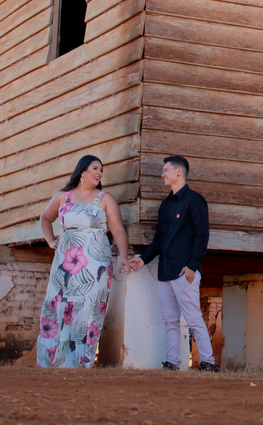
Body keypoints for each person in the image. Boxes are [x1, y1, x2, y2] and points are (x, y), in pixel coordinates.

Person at [36, 154, 130, 368]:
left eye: (101, 170)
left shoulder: (105, 198)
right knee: (60, 305)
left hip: (95, 264)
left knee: (89, 308)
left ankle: (80, 362)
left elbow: (117, 230)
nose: (99, 173)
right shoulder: (63, 197)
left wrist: (123, 257)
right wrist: (51, 241)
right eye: (95, 168)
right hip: (65, 264)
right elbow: (45, 218)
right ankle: (54, 360)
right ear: (82, 172)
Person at [127, 155, 217, 371]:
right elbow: (160, 238)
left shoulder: (195, 201)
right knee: (170, 321)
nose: (162, 175)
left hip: (184, 271)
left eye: (165, 170)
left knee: (193, 318)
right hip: (165, 271)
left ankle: (208, 362)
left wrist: (193, 266)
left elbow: (202, 235)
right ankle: (172, 362)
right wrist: (143, 259)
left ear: (179, 172)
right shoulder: (166, 205)